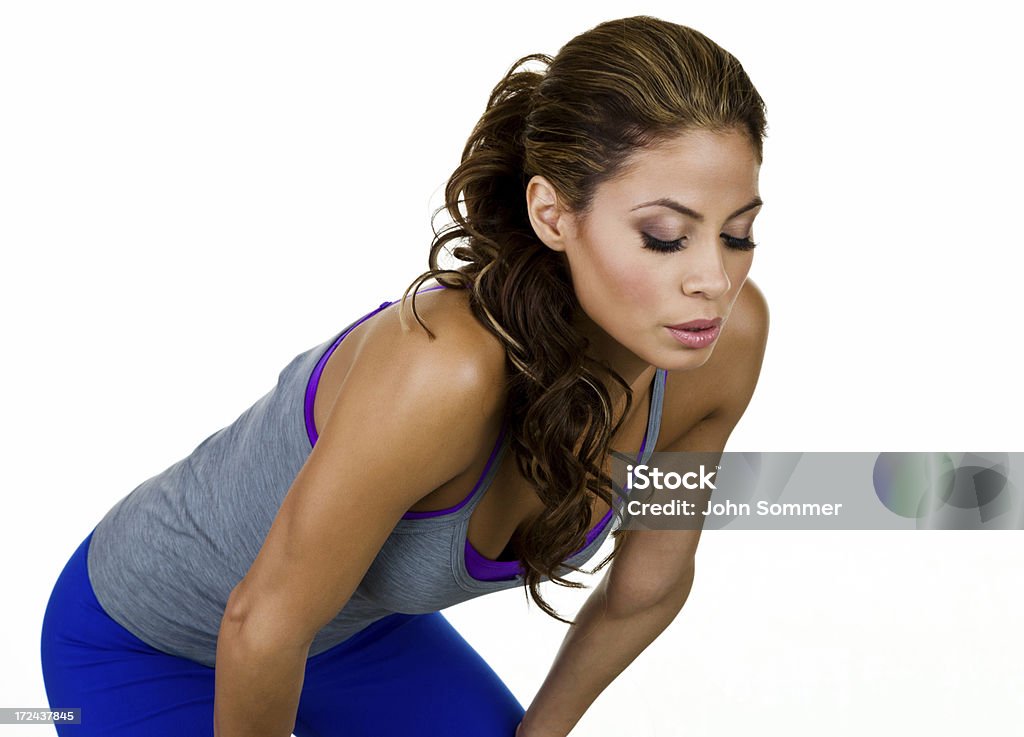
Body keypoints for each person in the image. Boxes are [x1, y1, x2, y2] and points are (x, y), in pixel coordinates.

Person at [40, 14, 769, 737]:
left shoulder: (723, 347)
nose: (713, 278)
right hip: (148, 638)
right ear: (553, 213)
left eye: (737, 233)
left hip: (346, 636)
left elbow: (646, 586)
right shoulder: (442, 372)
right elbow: (260, 624)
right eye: (665, 237)